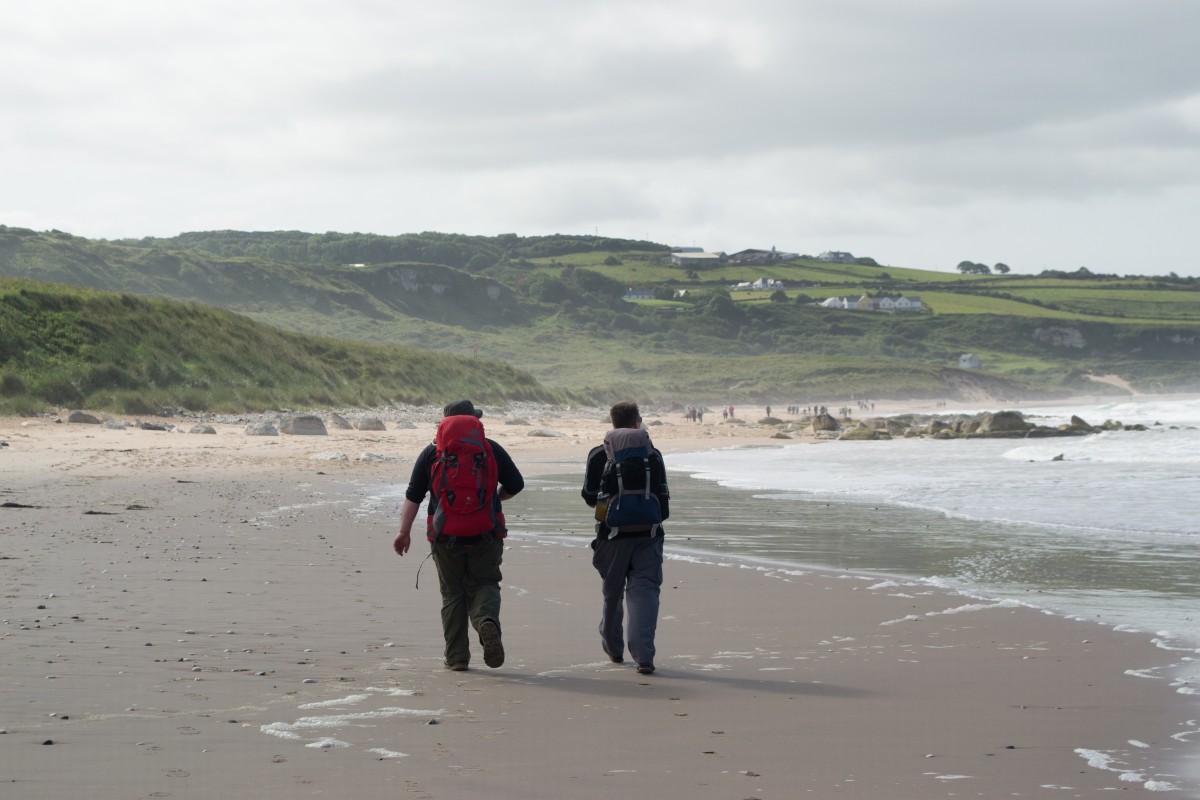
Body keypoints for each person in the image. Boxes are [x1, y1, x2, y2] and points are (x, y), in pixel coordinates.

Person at [393, 400, 524, 671]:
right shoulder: (491, 450)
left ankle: (456, 658)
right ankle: (485, 620)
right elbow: (516, 484)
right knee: (485, 583)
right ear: (475, 420)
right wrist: (495, 498)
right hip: (486, 531)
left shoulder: (432, 452)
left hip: (444, 535)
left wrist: (403, 532)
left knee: (452, 594)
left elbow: (413, 496)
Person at [581, 401, 670, 675]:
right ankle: (644, 656)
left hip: (611, 537)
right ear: (637, 422)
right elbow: (663, 504)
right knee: (644, 593)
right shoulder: (652, 454)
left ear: (612, 423)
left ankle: (614, 649)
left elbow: (588, 496)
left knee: (612, 593)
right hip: (649, 536)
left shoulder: (598, 454)